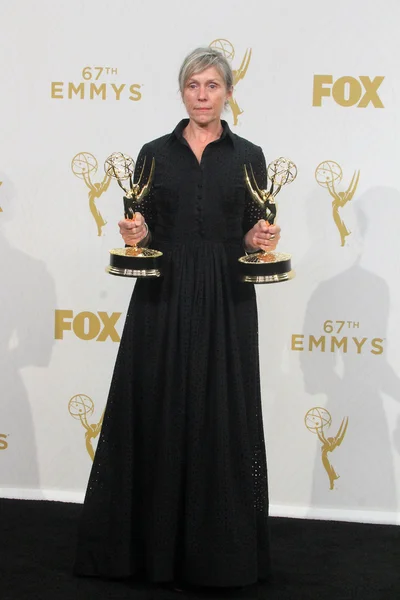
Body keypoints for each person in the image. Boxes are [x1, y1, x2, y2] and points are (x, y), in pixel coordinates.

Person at [74, 47, 281, 590]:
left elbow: (251, 230)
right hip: (161, 291)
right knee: (156, 404)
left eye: (213, 85)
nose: (203, 94)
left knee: (220, 410)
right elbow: (142, 224)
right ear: (183, 92)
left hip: (226, 294)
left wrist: (257, 239)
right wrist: (136, 236)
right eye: (193, 85)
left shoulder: (249, 155)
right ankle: (146, 550)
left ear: (229, 92)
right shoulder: (152, 154)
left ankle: (220, 552)